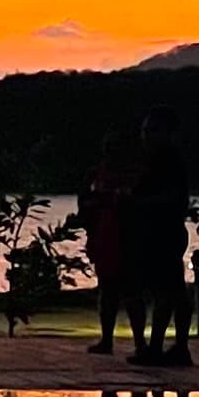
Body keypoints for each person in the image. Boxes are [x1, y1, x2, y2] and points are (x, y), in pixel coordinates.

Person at [124, 111, 194, 368]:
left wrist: (136, 202)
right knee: (168, 290)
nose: (146, 137)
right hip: (157, 232)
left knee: (165, 291)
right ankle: (162, 346)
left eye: (151, 131)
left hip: (163, 232)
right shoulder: (156, 161)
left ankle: (156, 347)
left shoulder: (168, 162)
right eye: (145, 131)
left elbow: (172, 198)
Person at [79, 131, 135, 356]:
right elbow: (84, 206)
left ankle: (138, 342)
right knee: (108, 289)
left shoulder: (132, 176)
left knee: (130, 291)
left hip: (127, 238)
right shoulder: (95, 175)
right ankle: (107, 339)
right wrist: (91, 236)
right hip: (104, 237)